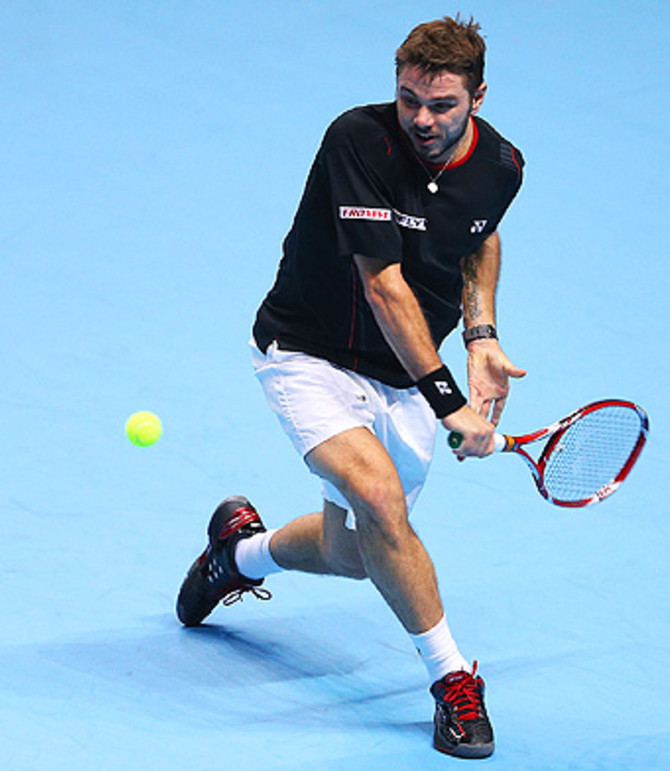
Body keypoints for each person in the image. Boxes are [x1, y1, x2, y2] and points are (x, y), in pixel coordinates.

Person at [175, 16, 525, 759]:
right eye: (408, 100)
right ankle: (455, 682)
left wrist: (483, 333)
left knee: (353, 551)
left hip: (401, 376)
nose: (422, 120)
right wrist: (452, 404)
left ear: (479, 98)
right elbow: (385, 287)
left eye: (442, 106)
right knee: (378, 499)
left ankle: (236, 554)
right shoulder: (356, 142)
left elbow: (479, 235)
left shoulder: (502, 166)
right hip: (308, 351)